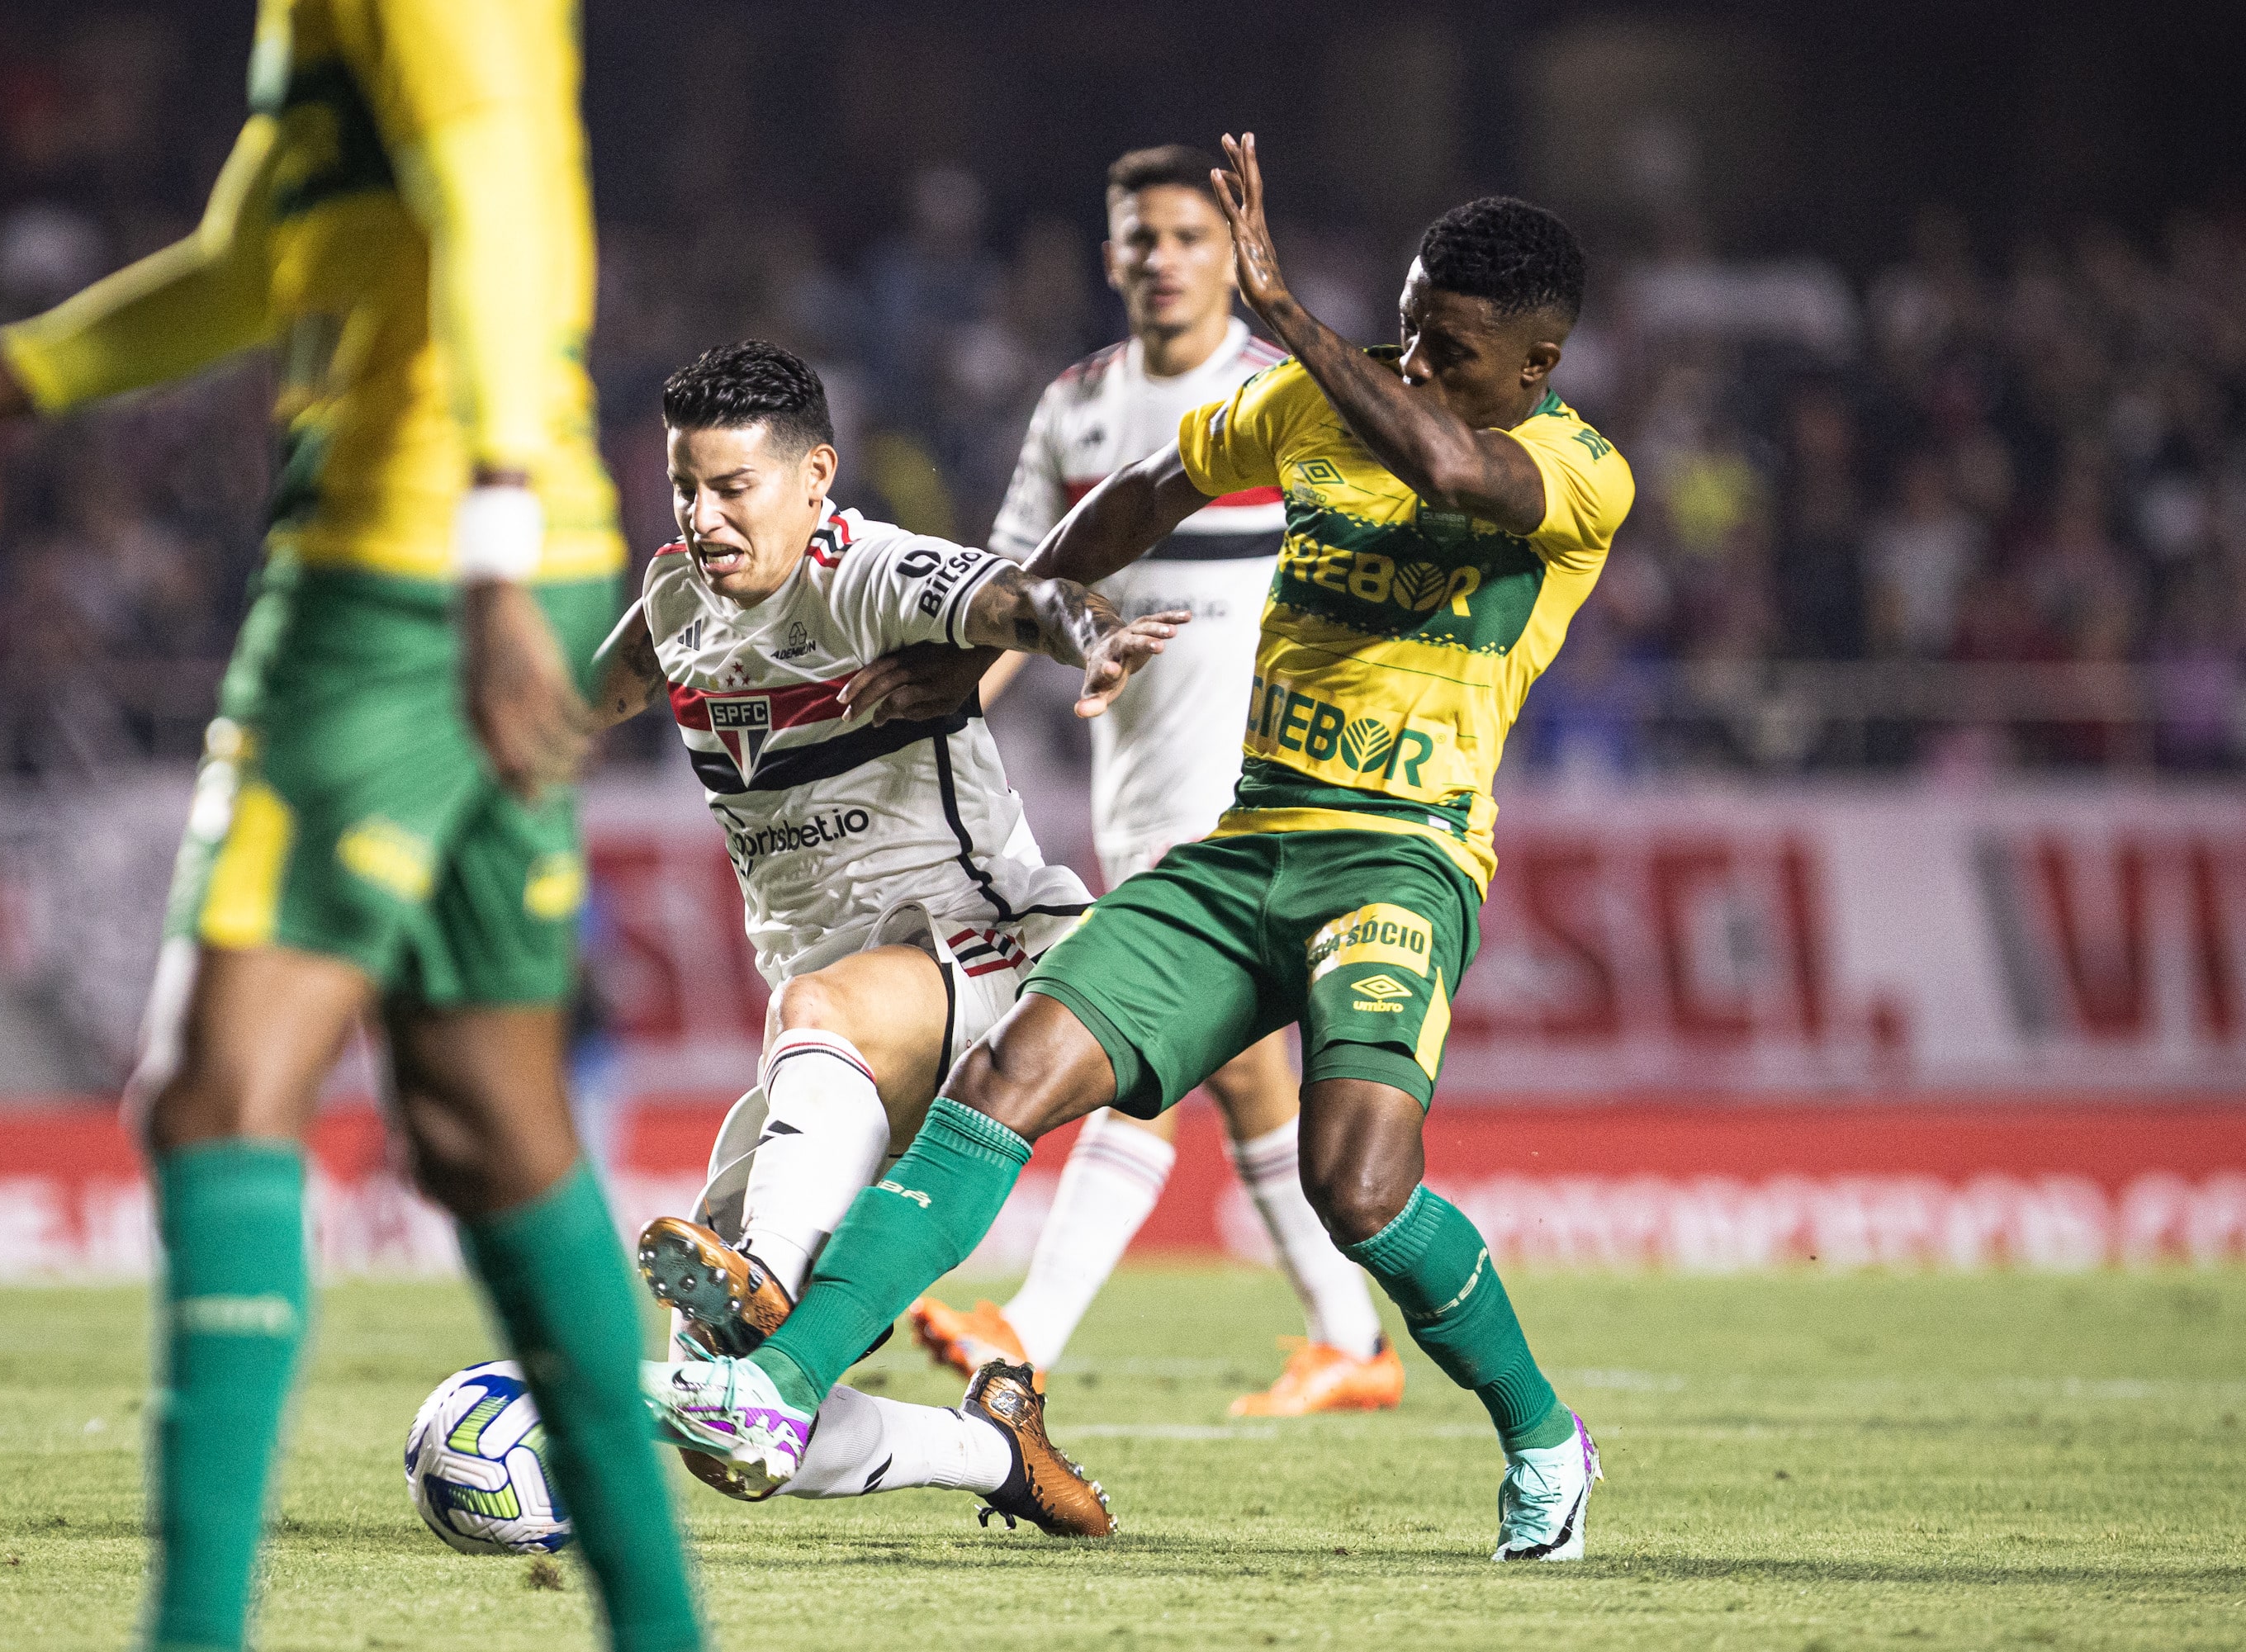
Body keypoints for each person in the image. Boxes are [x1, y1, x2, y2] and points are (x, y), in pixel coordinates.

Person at [0, 4, 705, 1647]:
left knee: (214, 1093)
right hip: (477, 557)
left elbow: (505, 203)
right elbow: (246, 260)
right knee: (490, 1121)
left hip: (408, 574)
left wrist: (485, 538)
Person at [647, 135, 1635, 1563]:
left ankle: (1545, 1431)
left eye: (1455, 351)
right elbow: (1146, 490)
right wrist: (1031, 609)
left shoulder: (1574, 468)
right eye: (1408, 332)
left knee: (1357, 1185)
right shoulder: (1309, 404)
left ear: (1536, 363)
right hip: (1246, 851)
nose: (1415, 365)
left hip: (1401, 861)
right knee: (1005, 1077)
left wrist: (1286, 313)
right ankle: (775, 1386)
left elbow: (1442, 462)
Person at [588, 339, 1179, 1535]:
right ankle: (984, 1446)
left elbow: (1016, 595)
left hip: (985, 943)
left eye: (732, 488)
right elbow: (562, 717)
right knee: (727, 1427)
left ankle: (765, 1266)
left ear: (815, 478)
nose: (703, 515)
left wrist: (1085, 630)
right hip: (841, 1034)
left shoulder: (864, 569)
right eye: (684, 486)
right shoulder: (672, 602)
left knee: (821, 1014)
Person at [906, 143, 1399, 1418]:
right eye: (1142, 236)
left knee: (1144, 1040)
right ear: (1110, 251)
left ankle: (1030, 1325)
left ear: (1234, 250)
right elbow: (1016, 588)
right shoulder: (1075, 407)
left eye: (1189, 234)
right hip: (1132, 780)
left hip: (1260, 786)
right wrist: (938, 714)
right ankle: (1350, 1337)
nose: (1164, 258)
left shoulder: (1290, 396)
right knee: (1235, 1071)